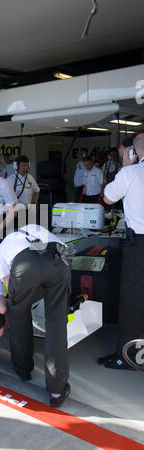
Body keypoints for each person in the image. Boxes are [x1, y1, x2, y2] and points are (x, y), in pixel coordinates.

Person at [0, 224, 71, 408]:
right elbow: (69, 256)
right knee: (56, 322)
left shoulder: (2, 247)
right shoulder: (38, 228)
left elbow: (9, 284)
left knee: (19, 313)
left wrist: (29, 293)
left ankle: (23, 370)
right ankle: (56, 391)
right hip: (58, 258)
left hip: (24, 266)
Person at [98, 133, 144, 370]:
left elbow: (107, 198)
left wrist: (125, 167)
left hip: (139, 246)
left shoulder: (130, 173)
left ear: (133, 152)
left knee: (132, 300)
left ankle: (128, 357)